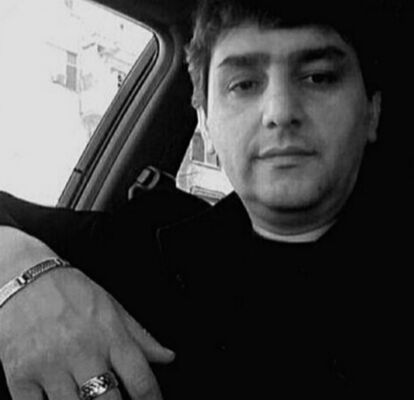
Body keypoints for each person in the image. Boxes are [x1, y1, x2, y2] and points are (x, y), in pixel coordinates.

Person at [0, 0, 411, 398]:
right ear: (206, 124)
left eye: (318, 77)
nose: (280, 112)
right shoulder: (142, 249)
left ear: (372, 112)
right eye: (244, 84)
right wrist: (17, 273)